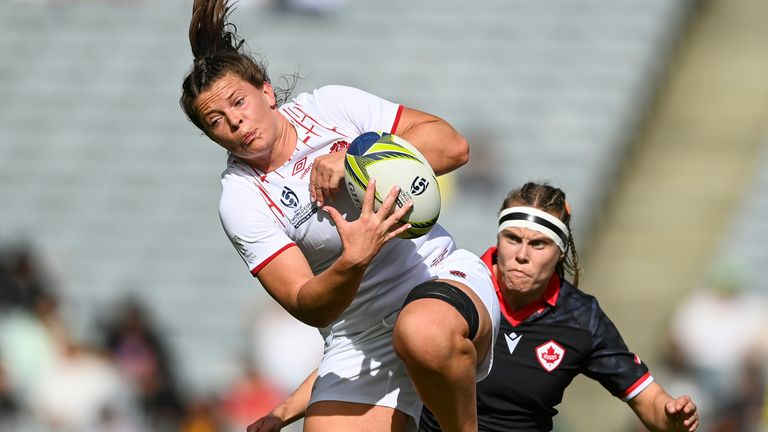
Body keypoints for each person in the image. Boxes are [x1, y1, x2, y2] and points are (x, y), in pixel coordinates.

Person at [179, 1, 500, 431]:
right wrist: (353, 260)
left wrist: (356, 159)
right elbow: (306, 303)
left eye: (239, 102)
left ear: (267, 91)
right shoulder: (240, 199)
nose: (235, 122)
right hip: (359, 336)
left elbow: (452, 147)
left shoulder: (331, 107)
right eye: (215, 120)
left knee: (421, 332)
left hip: (436, 278)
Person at [416, 182, 698, 432]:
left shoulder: (581, 317)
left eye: (538, 244)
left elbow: (646, 398)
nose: (521, 255)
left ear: (561, 251)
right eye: (512, 239)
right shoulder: (456, 286)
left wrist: (671, 419)